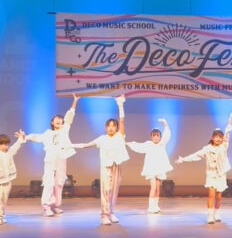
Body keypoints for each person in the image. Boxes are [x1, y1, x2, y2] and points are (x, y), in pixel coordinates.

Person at [71, 95, 129, 225]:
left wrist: (120, 105)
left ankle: (111, 212)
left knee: (114, 191)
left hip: (117, 166)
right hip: (106, 168)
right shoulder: (102, 139)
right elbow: (86, 145)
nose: (111, 128)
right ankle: (104, 215)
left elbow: (122, 121)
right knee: (106, 190)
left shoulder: (120, 136)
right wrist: (70, 145)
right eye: (109, 126)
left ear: (117, 128)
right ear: (105, 128)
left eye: (113, 126)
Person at [25, 94, 79, 217]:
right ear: (52, 122)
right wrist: (26, 137)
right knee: (49, 183)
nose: (59, 120)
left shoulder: (64, 130)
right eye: (56, 119)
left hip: (61, 160)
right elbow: (37, 137)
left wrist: (75, 101)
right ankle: (46, 207)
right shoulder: (48, 133)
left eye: (61, 119)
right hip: (50, 161)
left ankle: (55, 205)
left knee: (59, 183)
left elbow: (70, 116)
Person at [176, 113, 232, 224]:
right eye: (216, 137)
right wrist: (183, 159)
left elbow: (228, 132)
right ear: (212, 138)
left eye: (220, 137)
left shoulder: (224, 146)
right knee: (211, 194)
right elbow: (196, 155)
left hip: (221, 174)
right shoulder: (207, 149)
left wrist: (230, 119)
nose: (218, 139)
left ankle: (217, 214)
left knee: (219, 196)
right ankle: (210, 216)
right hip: (211, 174)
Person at [126, 118, 172, 214]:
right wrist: (127, 143)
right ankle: (151, 207)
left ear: (160, 137)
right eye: (154, 135)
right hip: (151, 169)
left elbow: (167, 136)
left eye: (157, 135)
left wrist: (165, 124)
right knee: (153, 187)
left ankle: (156, 205)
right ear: (151, 137)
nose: (155, 137)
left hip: (159, 169)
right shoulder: (148, 144)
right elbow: (138, 146)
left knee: (158, 188)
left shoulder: (162, 144)